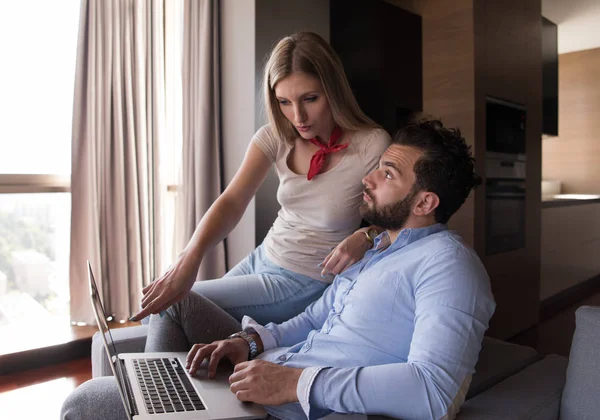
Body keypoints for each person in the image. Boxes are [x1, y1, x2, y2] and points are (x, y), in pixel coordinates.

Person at [62, 119, 496, 420]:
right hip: (265, 377)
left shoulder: (449, 267)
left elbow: (433, 392)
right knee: (174, 320)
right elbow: (315, 319)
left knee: (83, 405)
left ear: (424, 203)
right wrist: (248, 341)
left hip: (290, 408)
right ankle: (163, 403)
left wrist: (296, 384)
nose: (369, 179)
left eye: (388, 173)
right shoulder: (376, 247)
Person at [131, 31, 390, 325]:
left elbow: (398, 216)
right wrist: (188, 258)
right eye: (284, 102)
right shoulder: (275, 137)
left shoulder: (373, 143)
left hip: (304, 278)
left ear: (334, 90)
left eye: (310, 98)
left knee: (172, 307)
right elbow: (232, 200)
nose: (298, 116)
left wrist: (366, 235)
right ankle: (155, 371)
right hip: (263, 256)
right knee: (161, 309)